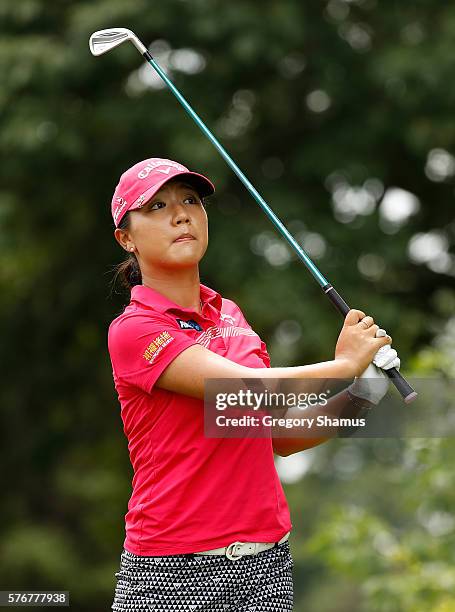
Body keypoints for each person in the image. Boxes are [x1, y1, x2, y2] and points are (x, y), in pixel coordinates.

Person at [108, 157, 400, 612]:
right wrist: (343, 362)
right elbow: (244, 389)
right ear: (126, 238)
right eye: (157, 206)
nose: (181, 214)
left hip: (266, 562)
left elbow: (277, 435)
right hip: (172, 565)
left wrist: (362, 393)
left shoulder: (231, 317)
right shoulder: (134, 330)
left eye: (190, 200)